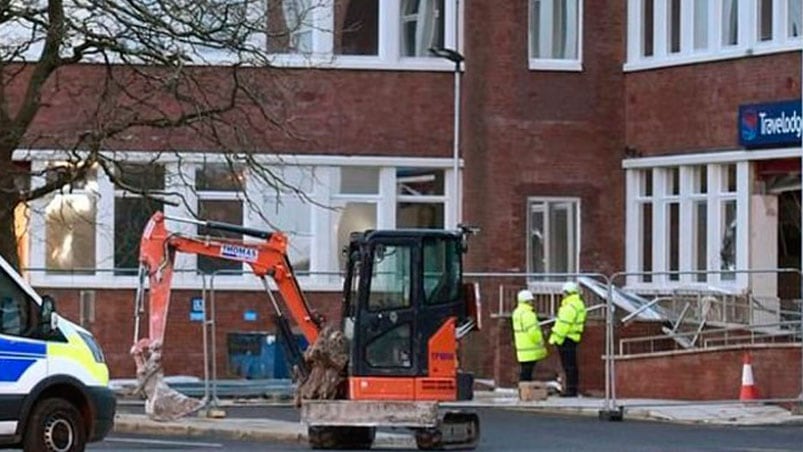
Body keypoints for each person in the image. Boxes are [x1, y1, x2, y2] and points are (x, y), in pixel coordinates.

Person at [548, 281, 587, 397]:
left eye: (564, 293)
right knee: (572, 365)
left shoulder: (569, 306)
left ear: (567, 293)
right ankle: (572, 388)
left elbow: (563, 324)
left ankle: (570, 390)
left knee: (568, 365)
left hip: (566, 338)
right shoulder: (578, 304)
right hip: (573, 337)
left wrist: (555, 338)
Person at [511, 289, 547, 382]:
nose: (532, 302)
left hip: (522, 347)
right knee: (527, 372)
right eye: (531, 300)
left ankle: (524, 391)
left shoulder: (517, 313)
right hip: (530, 347)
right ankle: (525, 391)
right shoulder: (528, 314)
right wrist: (540, 341)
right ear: (528, 301)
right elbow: (533, 331)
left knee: (525, 371)